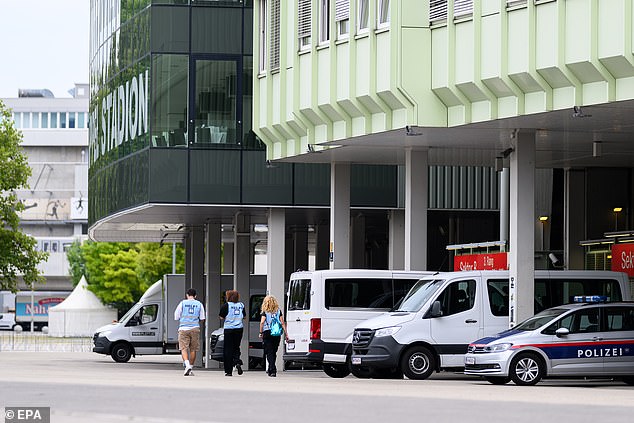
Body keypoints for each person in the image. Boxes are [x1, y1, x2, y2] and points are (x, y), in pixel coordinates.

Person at [174, 288, 205, 376]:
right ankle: (190, 368)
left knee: (183, 348)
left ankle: (187, 365)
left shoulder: (182, 303)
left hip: (183, 328)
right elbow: (202, 318)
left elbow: (176, 316)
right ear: (195, 296)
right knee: (193, 349)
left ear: (187, 295)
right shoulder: (199, 304)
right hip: (195, 328)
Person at [259, 295, 288, 377]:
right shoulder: (278, 311)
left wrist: (261, 332)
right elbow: (282, 323)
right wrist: (286, 333)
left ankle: (272, 369)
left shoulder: (265, 311)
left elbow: (262, 322)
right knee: (273, 351)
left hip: (267, 332)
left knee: (269, 352)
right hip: (276, 333)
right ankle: (271, 369)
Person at [219, 289, 245, 376]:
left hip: (229, 329)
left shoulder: (226, 305)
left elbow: (221, 317)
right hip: (239, 329)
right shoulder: (241, 305)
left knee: (228, 349)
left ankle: (228, 371)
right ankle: (237, 361)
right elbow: (244, 316)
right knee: (236, 347)